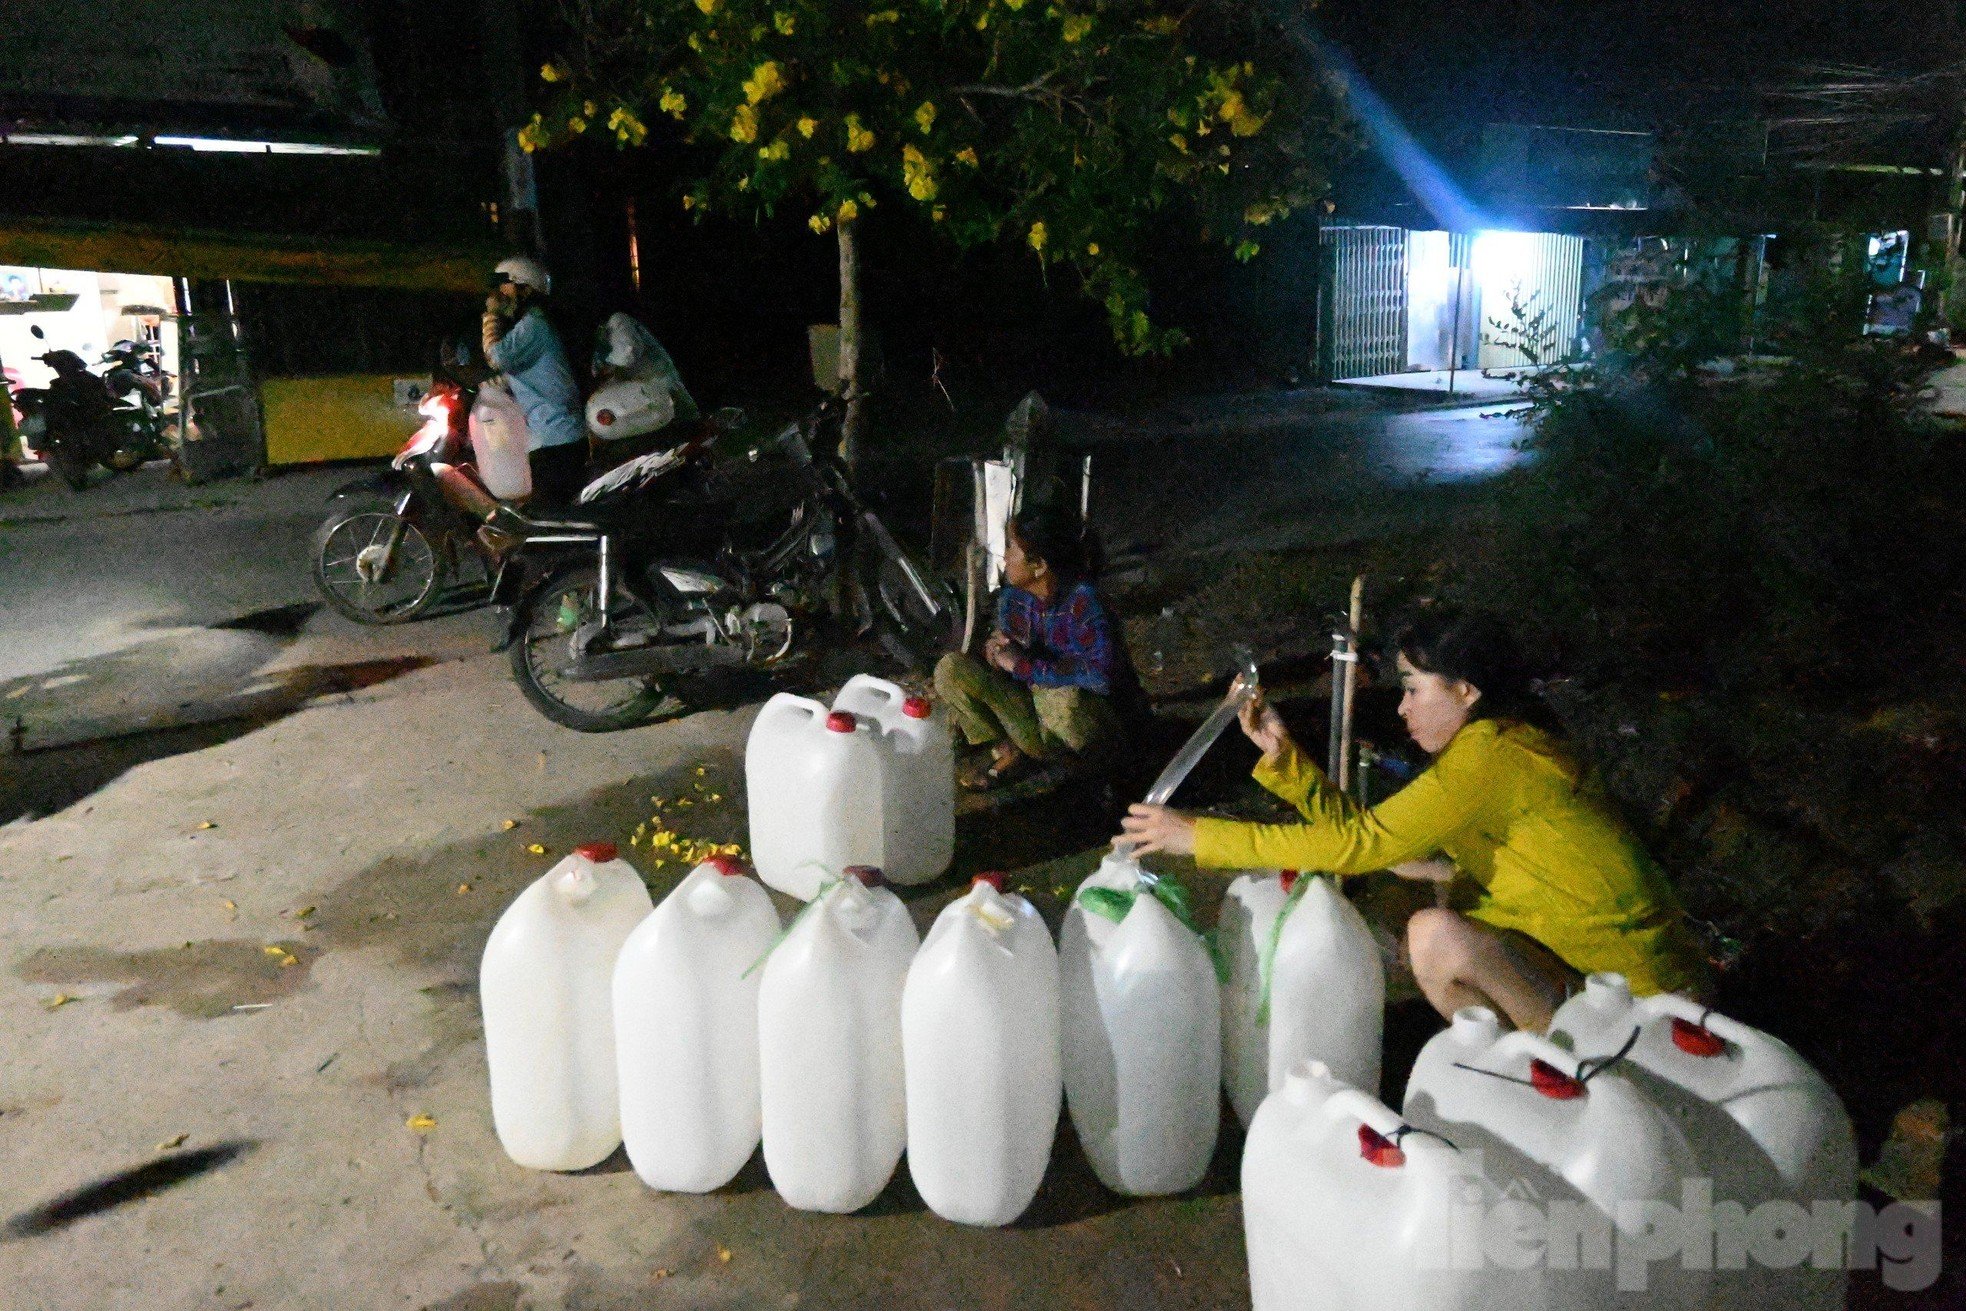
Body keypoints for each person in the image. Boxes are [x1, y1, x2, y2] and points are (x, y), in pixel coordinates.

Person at [1116, 607, 1711, 1033]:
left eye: (1415, 690)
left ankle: (1574, 1070)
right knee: (1423, 914)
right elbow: (1386, 846)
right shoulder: (1491, 748)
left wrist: (1192, 834)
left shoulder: (1490, 760)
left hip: (1640, 993)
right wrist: (1284, 761)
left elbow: (1363, 845)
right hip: (1578, 958)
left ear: (1467, 691)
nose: (1401, 708)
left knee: (1432, 936)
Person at [934, 509, 1126, 790]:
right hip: (1036, 717)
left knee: (1063, 701)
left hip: (1087, 723)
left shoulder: (1084, 603)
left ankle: (1097, 773)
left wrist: (1022, 665)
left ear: (1039, 566)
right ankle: (1010, 751)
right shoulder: (1016, 596)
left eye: (1012, 548)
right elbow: (1011, 651)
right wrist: (997, 651)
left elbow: (1099, 677)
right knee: (951, 669)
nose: (1006, 557)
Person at [481, 255, 587, 504]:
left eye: (504, 286)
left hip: (556, 436)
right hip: (553, 434)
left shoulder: (534, 324)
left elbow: (496, 357)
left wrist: (492, 316)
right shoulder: (531, 325)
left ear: (524, 287)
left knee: (552, 519)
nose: (498, 293)